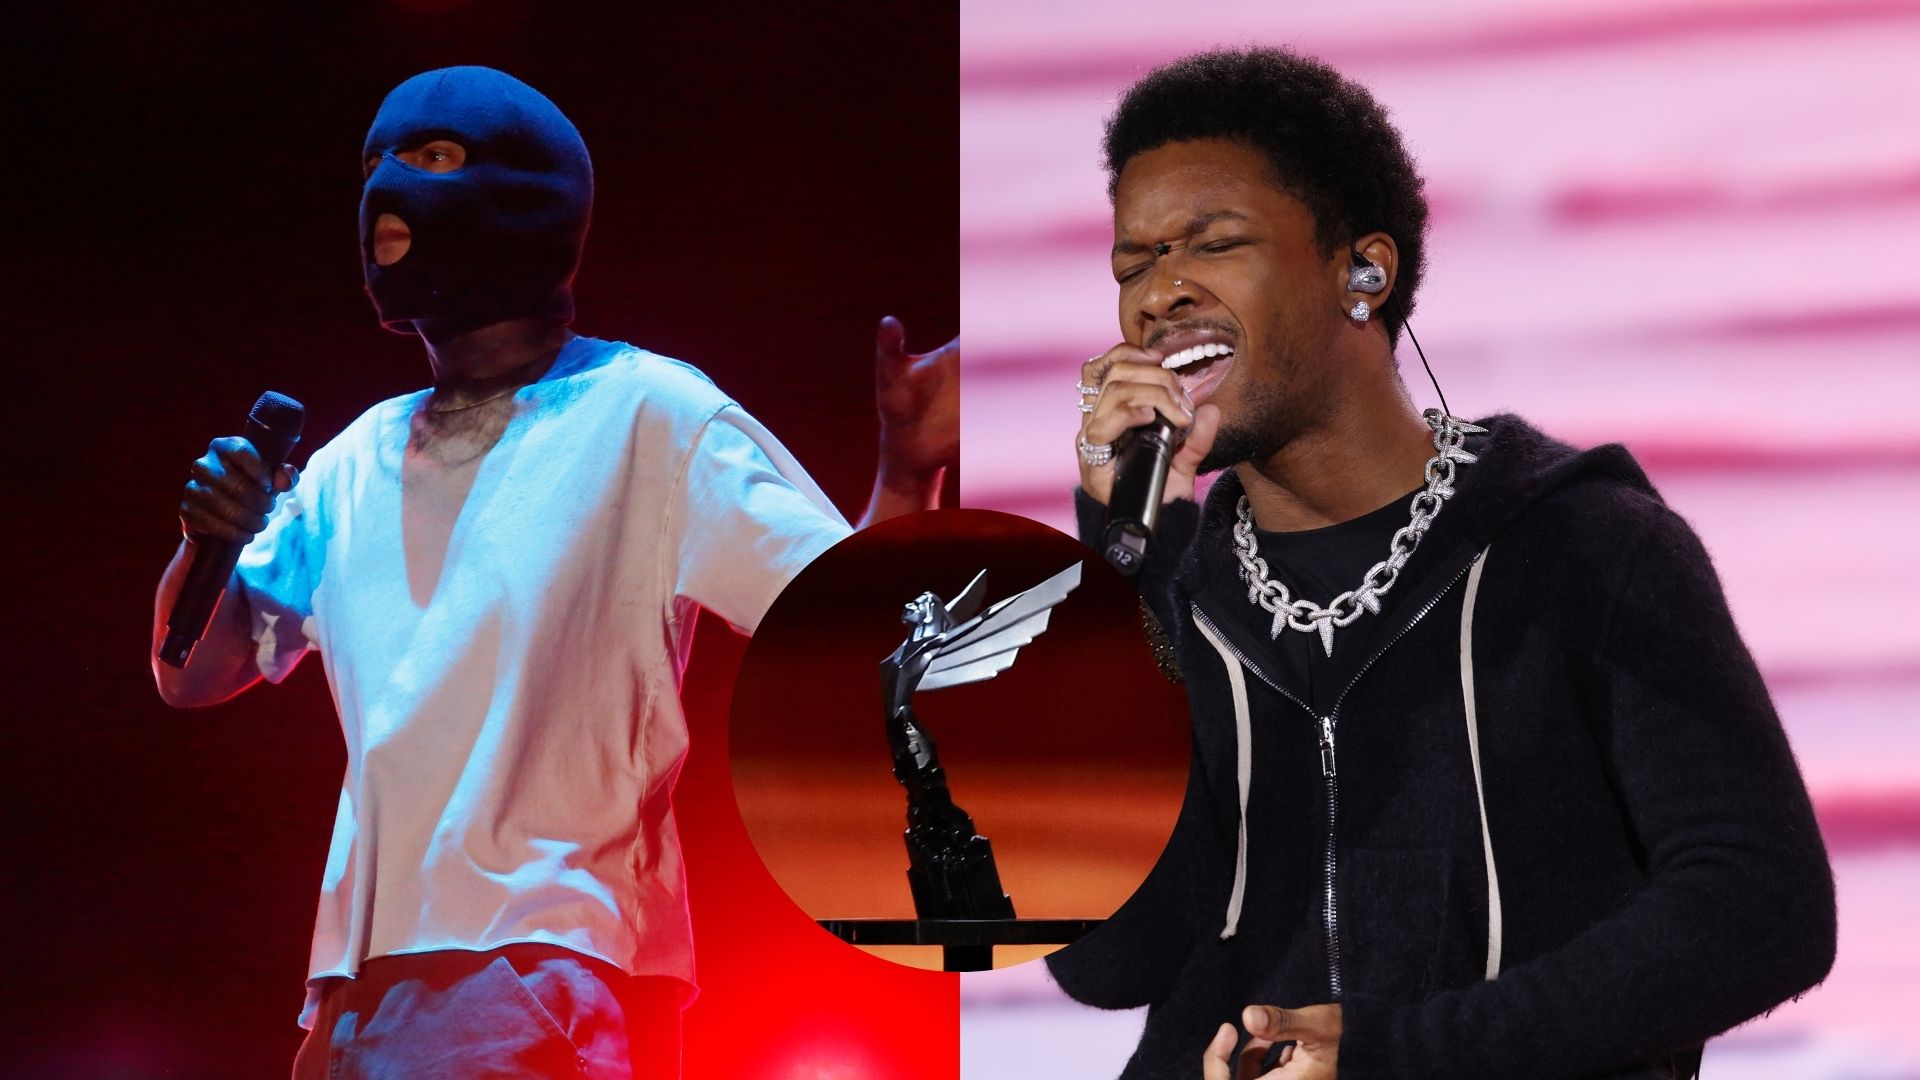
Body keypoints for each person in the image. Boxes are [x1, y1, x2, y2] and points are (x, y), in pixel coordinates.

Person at [150, 66, 955, 1078]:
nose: (386, 188)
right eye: (372, 164)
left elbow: (857, 637)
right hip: (358, 993)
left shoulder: (650, 415)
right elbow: (194, 672)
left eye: (432, 156)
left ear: (530, 198)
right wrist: (204, 541)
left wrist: (905, 471)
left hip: (543, 967)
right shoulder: (352, 461)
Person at [1053, 48, 1834, 1080]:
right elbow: (1111, 959)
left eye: (1213, 243)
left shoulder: (1585, 548)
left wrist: (1406, 1053)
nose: (1160, 294)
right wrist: (1123, 570)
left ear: (1362, 271)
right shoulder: (1170, 590)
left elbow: (1758, 905)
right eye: (1133, 264)